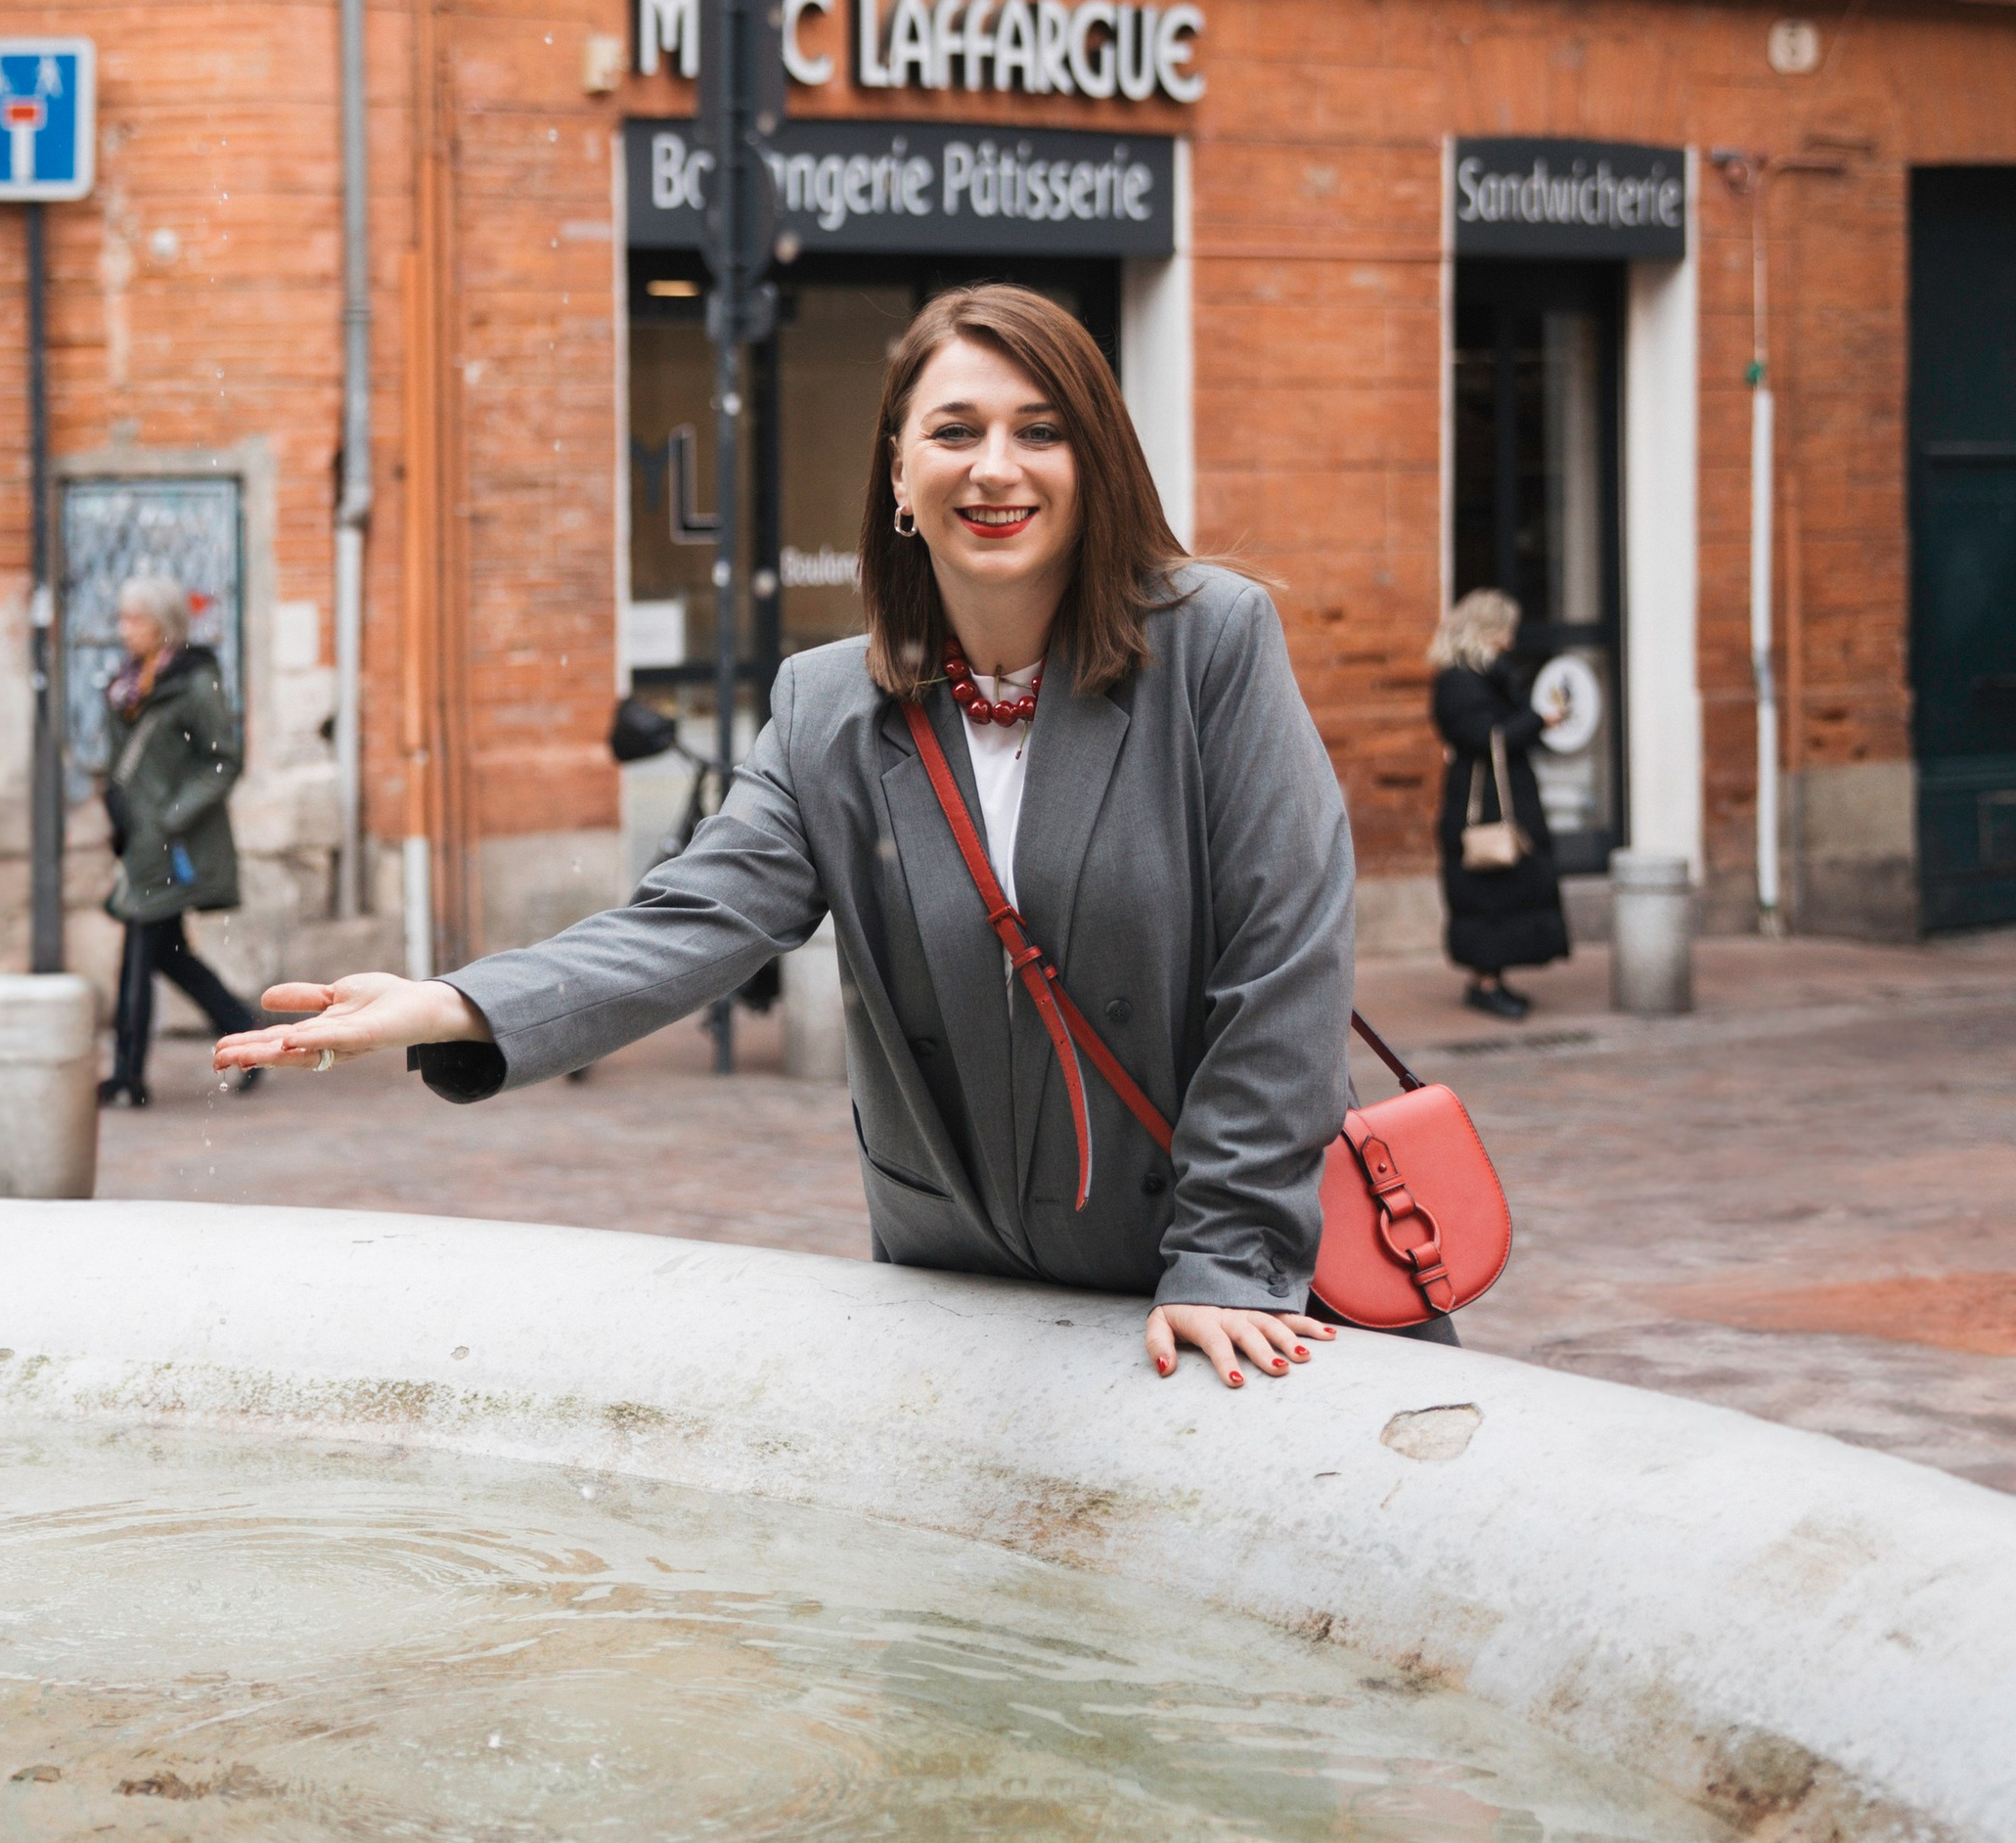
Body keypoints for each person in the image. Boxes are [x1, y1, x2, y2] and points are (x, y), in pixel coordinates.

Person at [220, 283, 1415, 1388]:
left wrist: (1226, 1258)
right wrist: (454, 1003)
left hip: (1201, 1290)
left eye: (1040, 431)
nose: (995, 468)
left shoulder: (1210, 645)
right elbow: (692, 920)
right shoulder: (829, 706)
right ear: (899, 472)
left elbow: (1284, 957)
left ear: (1094, 461)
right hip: (961, 1287)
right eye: (954, 432)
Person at [99, 573, 262, 1107]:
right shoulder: (128, 684)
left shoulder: (195, 682)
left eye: (136, 618)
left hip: (172, 845)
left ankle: (128, 1076)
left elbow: (223, 760)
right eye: (122, 617)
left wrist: (171, 817)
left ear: (164, 624)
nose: (124, 629)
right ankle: (245, 1031)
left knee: (139, 951)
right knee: (168, 954)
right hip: (140, 842)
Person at [1428, 589, 1568, 1023]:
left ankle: (1492, 977)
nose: (1511, 638)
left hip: (1501, 798)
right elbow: (1484, 737)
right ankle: (1484, 982)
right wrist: (1538, 720)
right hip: (1481, 803)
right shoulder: (1458, 679)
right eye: (1504, 629)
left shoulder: (1490, 675)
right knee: (1487, 890)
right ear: (1485, 629)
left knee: (1505, 889)